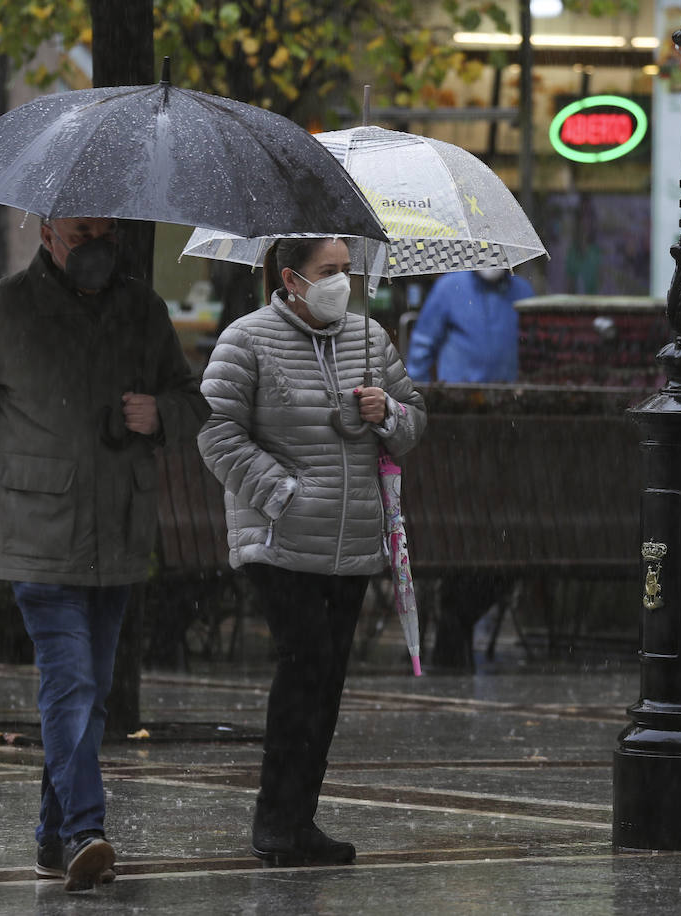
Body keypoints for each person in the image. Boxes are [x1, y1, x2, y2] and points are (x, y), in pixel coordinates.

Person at [0, 216, 208, 893]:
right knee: (71, 683)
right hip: (40, 532)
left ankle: (53, 835)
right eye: (81, 232)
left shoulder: (143, 308)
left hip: (121, 531)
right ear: (47, 232)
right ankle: (86, 829)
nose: (96, 243)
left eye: (106, 230)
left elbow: (194, 405)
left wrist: (158, 412)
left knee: (92, 695)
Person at [198, 237, 425, 867]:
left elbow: (414, 422)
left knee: (326, 680)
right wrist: (281, 494)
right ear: (291, 278)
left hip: (351, 542)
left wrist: (387, 414)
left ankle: (299, 821)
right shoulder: (247, 339)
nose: (341, 284)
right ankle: (276, 820)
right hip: (279, 539)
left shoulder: (369, 338)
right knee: (305, 664)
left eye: (346, 272)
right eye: (328, 272)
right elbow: (217, 433)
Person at [403, 268, 535, 383]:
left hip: (507, 398)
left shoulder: (523, 291)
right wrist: (421, 396)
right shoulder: (449, 287)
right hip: (458, 397)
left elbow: (533, 349)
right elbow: (422, 345)